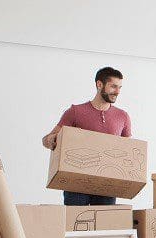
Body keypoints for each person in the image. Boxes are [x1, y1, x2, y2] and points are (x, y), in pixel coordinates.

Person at [42, 67, 132, 206]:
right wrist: (52, 140)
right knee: (75, 223)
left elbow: (127, 149)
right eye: (113, 86)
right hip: (76, 183)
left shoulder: (123, 116)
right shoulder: (75, 111)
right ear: (99, 84)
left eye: (120, 87)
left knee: (104, 226)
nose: (117, 92)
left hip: (107, 183)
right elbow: (47, 139)